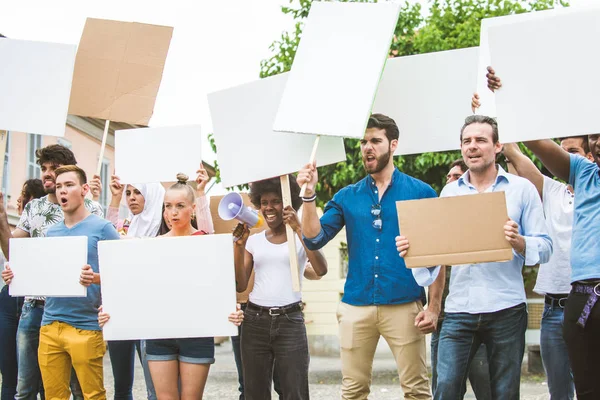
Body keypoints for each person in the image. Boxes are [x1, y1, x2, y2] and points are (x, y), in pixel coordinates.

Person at [397, 115, 553, 399]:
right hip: (459, 310)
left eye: (481, 140)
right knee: (445, 389)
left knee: (504, 393)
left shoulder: (521, 190)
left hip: (506, 307)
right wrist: (415, 252)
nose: (473, 146)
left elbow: (545, 247)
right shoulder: (449, 193)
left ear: (497, 146)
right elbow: (439, 255)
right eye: (467, 141)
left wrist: (519, 242)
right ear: (461, 148)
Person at [297, 113, 441, 400]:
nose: (367, 147)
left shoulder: (421, 192)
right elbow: (314, 237)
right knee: (352, 391)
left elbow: (438, 256)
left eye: (375, 140)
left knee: (417, 391)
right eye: (363, 142)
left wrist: (434, 307)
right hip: (356, 306)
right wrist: (309, 195)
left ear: (394, 144)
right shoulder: (347, 196)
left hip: (404, 304)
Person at [484, 67, 600, 399]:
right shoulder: (580, 174)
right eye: (594, 135)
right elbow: (530, 143)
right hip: (576, 299)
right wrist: (503, 99)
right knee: (578, 390)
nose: (598, 140)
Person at [99, 173, 222, 400]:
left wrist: (202, 192)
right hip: (160, 333)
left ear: (192, 208)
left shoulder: (204, 242)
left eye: (179, 206)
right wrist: (111, 309)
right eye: (168, 206)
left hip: (195, 332)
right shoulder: (151, 246)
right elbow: (115, 256)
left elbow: (215, 274)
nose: (172, 212)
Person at [3, 165, 120, 399]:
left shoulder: (103, 228)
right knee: (53, 395)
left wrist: (96, 278)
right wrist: (15, 276)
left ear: (84, 189)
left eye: (69, 185)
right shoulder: (52, 233)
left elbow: (123, 272)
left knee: (92, 395)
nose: (62, 191)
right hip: (50, 324)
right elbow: (41, 274)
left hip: (85, 326)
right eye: (58, 187)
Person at [233, 176, 327, 400]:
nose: (268, 208)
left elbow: (321, 269)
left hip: (290, 321)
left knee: (294, 391)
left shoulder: (298, 238)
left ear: (287, 203)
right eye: (264, 202)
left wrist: (299, 229)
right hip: (255, 320)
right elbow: (240, 285)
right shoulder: (255, 241)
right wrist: (239, 247)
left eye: (275, 201)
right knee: (254, 392)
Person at [429, 160, 491, 399]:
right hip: (444, 320)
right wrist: (433, 308)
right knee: (445, 388)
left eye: (456, 176)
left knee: (486, 387)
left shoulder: (479, 222)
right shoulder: (440, 221)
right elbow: (435, 265)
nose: (450, 180)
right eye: (448, 176)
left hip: (477, 317)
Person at [0, 179, 44, 400]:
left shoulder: (42, 225)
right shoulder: (14, 229)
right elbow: (11, 253)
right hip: (9, 299)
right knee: (10, 375)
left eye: (24, 195)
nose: (19, 199)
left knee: (35, 378)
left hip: (33, 300)